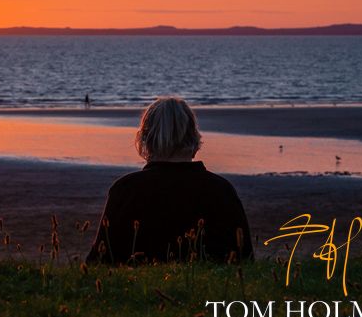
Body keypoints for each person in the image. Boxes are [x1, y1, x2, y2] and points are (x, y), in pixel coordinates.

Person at [86, 96, 253, 264]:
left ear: (145, 140)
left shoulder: (126, 189)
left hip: (140, 287)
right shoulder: (221, 190)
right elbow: (245, 259)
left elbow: (100, 261)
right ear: (194, 139)